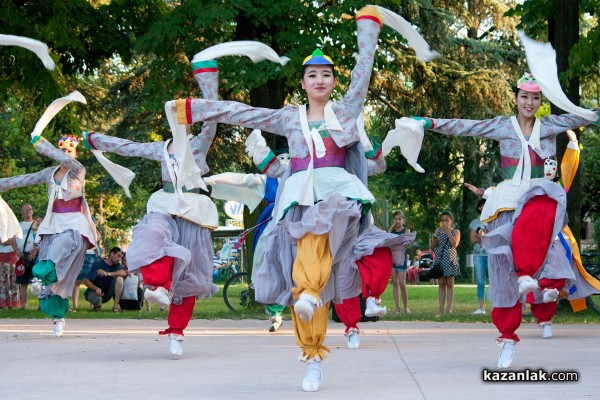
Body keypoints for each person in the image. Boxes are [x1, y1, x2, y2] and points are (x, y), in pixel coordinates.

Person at [173, 7, 385, 391]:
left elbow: (362, 76)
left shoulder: (346, 112)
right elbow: (244, 113)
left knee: (320, 247)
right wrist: (195, 107)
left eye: (326, 74)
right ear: (302, 83)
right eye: (312, 75)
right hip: (300, 196)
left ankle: (329, 303)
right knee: (305, 268)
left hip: (337, 195)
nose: (319, 80)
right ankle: (312, 353)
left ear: (334, 81)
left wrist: (367, 31)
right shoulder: (289, 119)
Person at [419, 73, 597, 368]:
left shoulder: (551, 126)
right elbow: (468, 127)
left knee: (550, 248)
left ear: (541, 101)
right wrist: (431, 123)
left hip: (537, 201)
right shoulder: (503, 126)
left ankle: (541, 289)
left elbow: (584, 118)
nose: (529, 102)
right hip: (505, 205)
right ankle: (507, 335)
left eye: (535, 97)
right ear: (516, 99)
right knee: (502, 269)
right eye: (524, 96)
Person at [81, 58, 220, 356]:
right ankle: (157, 287)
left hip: (192, 213)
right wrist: (96, 139)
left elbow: (213, 121)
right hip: (166, 206)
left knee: (189, 275)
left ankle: (176, 330)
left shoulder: (198, 144)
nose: (181, 121)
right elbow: (126, 147)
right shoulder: (160, 149)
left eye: (185, 116)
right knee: (153, 234)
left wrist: (208, 80)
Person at [0, 132, 97, 337]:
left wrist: (42, 144)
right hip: (52, 226)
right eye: (62, 150)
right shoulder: (49, 173)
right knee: (51, 282)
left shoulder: (79, 170)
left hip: (74, 226)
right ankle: (58, 318)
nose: (65, 154)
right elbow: (24, 179)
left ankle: (42, 275)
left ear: (75, 152)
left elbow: (67, 161)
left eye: (69, 151)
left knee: (63, 252)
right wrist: (3, 183)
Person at [430, 210, 460, 315]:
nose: (444, 222)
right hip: (440, 259)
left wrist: (448, 231)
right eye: (443, 220)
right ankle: (441, 309)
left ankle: (449, 309)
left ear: (451, 220)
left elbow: (454, 244)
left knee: (450, 284)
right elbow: (432, 247)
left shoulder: (455, 231)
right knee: (441, 284)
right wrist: (434, 242)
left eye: (447, 220)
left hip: (450, 259)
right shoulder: (437, 230)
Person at [83, 247, 125, 311]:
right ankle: (96, 305)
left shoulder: (117, 265)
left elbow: (123, 273)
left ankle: (115, 307)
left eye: (121, 257)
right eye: (118, 256)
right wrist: (96, 289)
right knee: (97, 300)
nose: (119, 259)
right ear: (111, 254)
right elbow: (85, 280)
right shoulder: (98, 263)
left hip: (107, 293)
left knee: (120, 279)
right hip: (94, 292)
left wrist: (107, 273)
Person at [14, 204, 39, 309]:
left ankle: (40, 305)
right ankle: (24, 306)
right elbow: (13, 240)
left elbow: (42, 240)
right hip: (22, 256)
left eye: (29, 209)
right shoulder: (18, 225)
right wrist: (17, 251)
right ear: (21, 212)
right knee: (23, 282)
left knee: (38, 281)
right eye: (24, 209)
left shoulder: (37, 225)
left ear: (32, 211)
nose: (27, 211)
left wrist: (35, 250)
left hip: (35, 256)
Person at [72, 229, 102, 312]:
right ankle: (77, 305)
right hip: (87, 257)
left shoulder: (84, 231)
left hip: (87, 258)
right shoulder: (87, 232)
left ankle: (77, 305)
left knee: (79, 283)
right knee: (79, 283)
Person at [388, 210, 410, 314]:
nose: (397, 221)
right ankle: (397, 307)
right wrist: (391, 227)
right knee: (394, 283)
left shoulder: (406, 231)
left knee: (402, 283)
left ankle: (406, 307)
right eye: (395, 219)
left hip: (402, 259)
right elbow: (386, 238)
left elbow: (407, 243)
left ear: (403, 220)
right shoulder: (392, 232)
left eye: (399, 219)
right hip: (392, 259)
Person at [469, 199, 488, 315]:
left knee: (495, 281)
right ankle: (482, 308)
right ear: (479, 207)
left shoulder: (493, 220)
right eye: (482, 205)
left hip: (492, 254)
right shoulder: (475, 222)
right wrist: (485, 237)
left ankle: (498, 306)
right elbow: (472, 239)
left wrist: (481, 236)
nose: (484, 207)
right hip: (479, 256)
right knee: (481, 281)